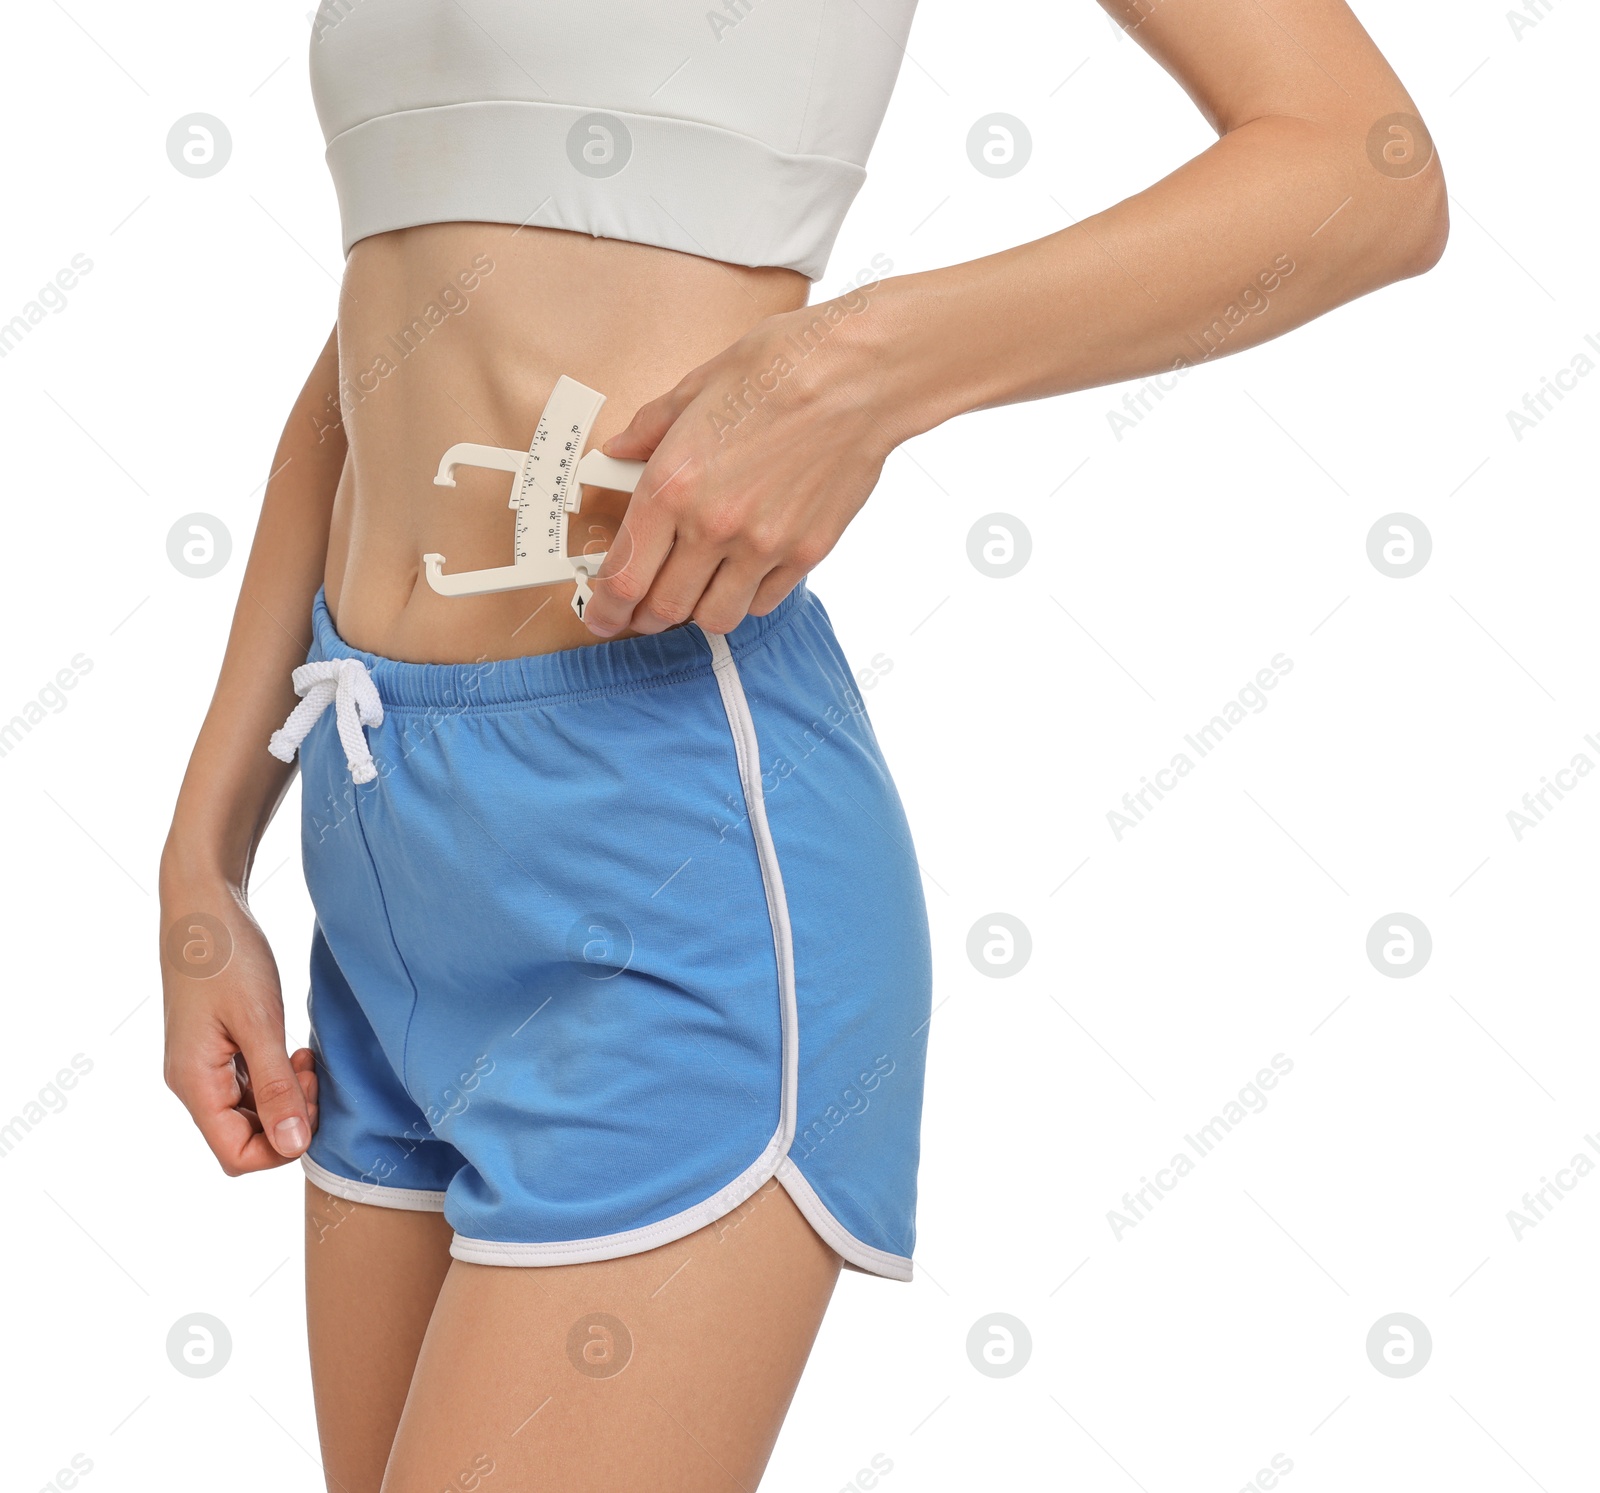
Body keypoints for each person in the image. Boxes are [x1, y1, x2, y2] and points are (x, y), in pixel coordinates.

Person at [158, 2, 1447, 1488]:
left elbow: (1368, 168)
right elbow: (378, 360)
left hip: (667, 853)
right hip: (381, 851)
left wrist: (862, 369)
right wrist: (205, 856)